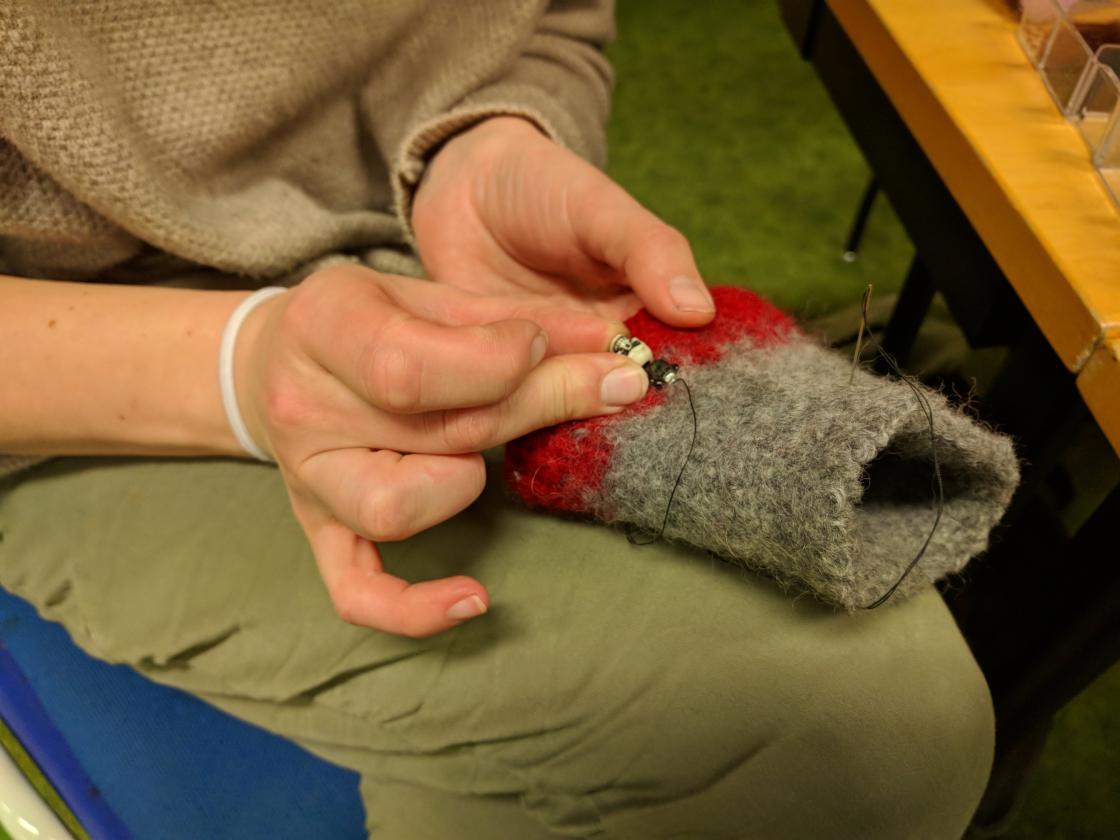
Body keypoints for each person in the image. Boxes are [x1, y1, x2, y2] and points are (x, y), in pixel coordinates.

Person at [0, 1, 995, 836]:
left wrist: (483, 141)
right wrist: (238, 367)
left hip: (428, 249)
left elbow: (549, 17)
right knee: (868, 723)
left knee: (883, 717)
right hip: (84, 378)